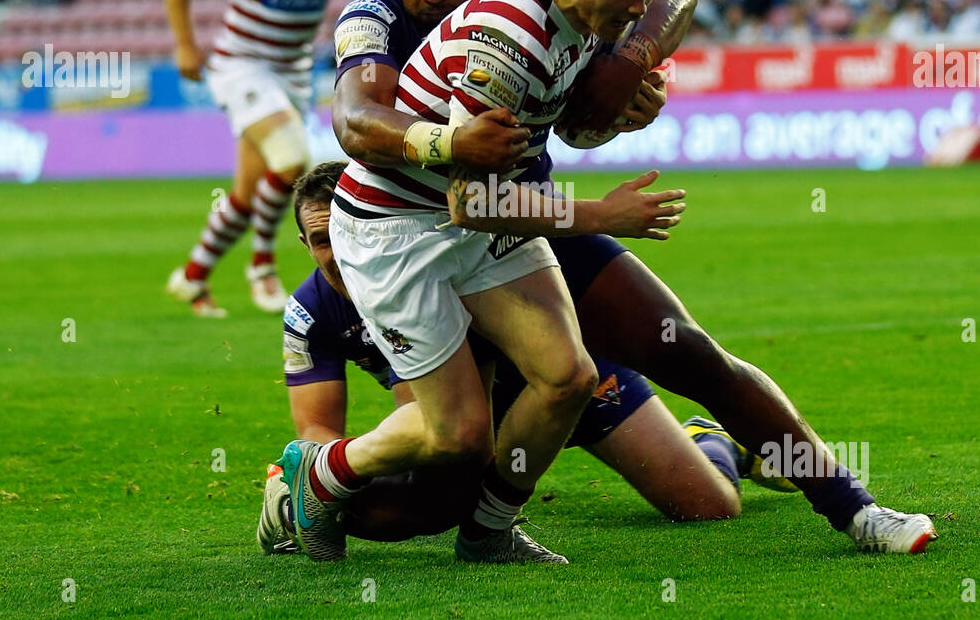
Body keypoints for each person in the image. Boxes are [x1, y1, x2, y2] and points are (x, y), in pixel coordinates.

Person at [324, 0, 940, 558]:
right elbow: (363, 128)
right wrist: (586, 202)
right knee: (442, 474)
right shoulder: (397, 23)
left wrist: (628, 62)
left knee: (688, 396)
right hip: (418, 227)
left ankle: (853, 507)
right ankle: (308, 484)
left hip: (521, 217)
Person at [278, 0, 693, 565]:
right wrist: (601, 214)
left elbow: (563, 125)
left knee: (568, 376)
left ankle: (488, 531)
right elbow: (468, 200)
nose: (639, 7)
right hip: (398, 227)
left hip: (478, 208)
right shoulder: (507, 35)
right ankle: (316, 473)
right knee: (458, 435)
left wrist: (617, 110)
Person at [258, 161, 793, 554]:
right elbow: (316, 431)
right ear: (305, 244)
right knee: (400, 499)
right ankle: (485, 522)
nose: (338, 253)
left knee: (708, 506)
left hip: (562, 375)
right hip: (474, 409)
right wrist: (318, 480)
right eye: (322, 240)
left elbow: (419, 416)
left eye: (343, 234)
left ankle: (713, 440)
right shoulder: (309, 313)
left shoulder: (410, 269)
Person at [164, 0, 384, 317]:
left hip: (292, 74)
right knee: (291, 159)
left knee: (247, 191)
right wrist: (185, 43)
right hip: (241, 64)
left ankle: (193, 276)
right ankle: (262, 266)